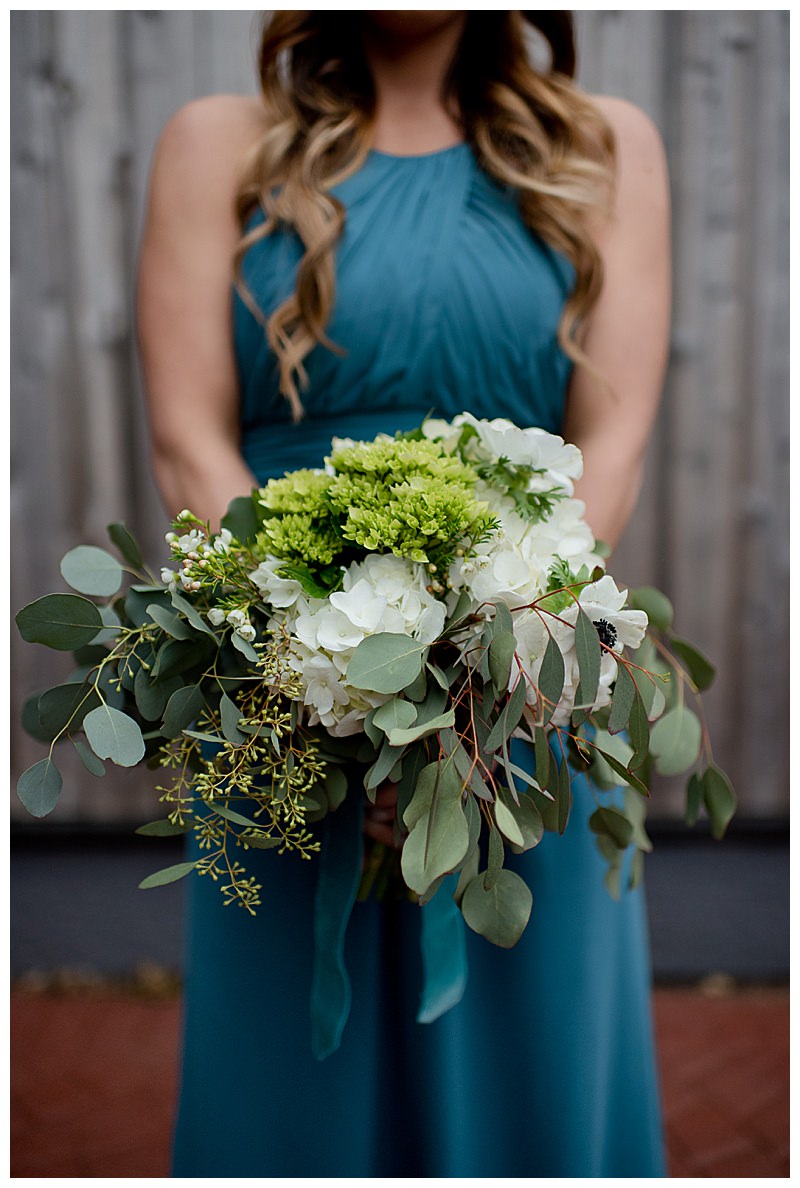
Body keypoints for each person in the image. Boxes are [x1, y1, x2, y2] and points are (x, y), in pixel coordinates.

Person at [137, 11, 670, 1177]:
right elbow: (189, 439)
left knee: (529, 1067)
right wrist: (304, 664)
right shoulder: (216, 143)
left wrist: (494, 656)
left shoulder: (603, 144)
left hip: (521, 680)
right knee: (288, 1092)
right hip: (279, 672)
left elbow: (613, 437)